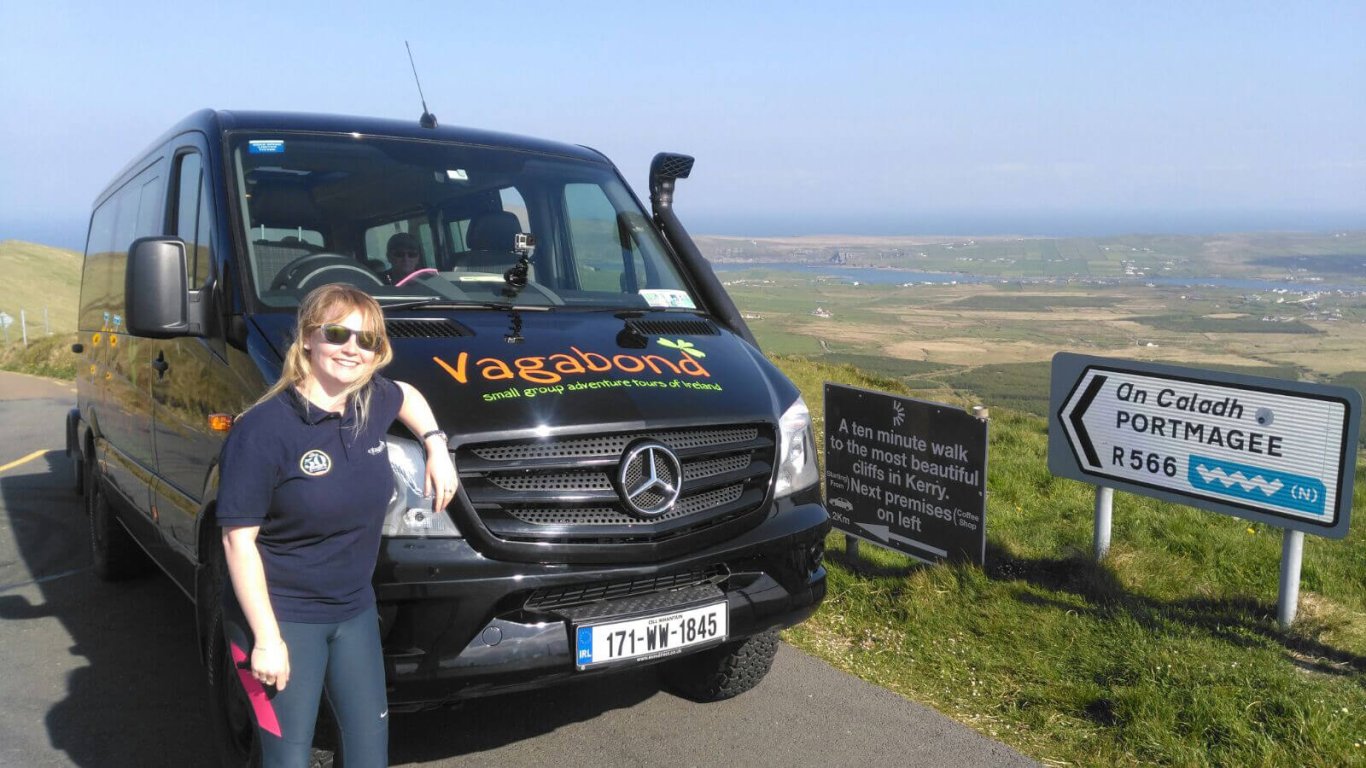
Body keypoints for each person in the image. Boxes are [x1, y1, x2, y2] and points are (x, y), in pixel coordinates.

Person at [216, 283, 457, 767]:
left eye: (366, 340)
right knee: (287, 760)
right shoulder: (263, 430)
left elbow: (407, 394)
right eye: (337, 333)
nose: (352, 348)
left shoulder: (368, 402)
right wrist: (266, 639)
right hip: (281, 618)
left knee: (369, 756)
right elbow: (237, 541)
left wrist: (435, 445)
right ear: (307, 338)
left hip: (353, 613)